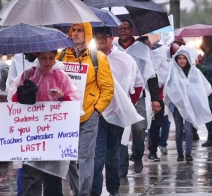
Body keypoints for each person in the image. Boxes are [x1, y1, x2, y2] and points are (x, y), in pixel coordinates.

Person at [8, 50, 81, 196]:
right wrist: (21, 92)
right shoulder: (27, 75)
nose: (47, 62)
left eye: (51, 58)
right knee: (31, 177)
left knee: (53, 179)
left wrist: (61, 96)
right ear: (37, 57)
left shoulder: (61, 77)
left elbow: (75, 104)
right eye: (43, 58)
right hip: (31, 135)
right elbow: (13, 103)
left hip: (55, 136)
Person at [56, 22, 114, 196]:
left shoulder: (98, 58)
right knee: (68, 159)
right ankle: (76, 190)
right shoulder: (61, 56)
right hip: (66, 114)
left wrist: (97, 110)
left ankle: (84, 193)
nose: (75, 33)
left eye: (79, 30)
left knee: (85, 158)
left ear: (87, 33)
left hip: (89, 115)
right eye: (73, 30)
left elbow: (108, 89)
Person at [91, 27, 144, 196]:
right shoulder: (89, 58)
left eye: (102, 39)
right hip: (96, 113)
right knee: (97, 155)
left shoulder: (125, 59)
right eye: (96, 39)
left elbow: (138, 84)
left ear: (110, 38)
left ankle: (113, 190)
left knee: (113, 154)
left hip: (117, 114)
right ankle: (95, 191)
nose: (99, 42)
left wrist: (127, 104)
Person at [115, 20, 161, 176]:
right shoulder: (112, 48)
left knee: (139, 128)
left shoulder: (142, 49)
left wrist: (155, 99)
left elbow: (151, 74)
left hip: (138, 96)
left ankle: (138, 155)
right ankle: (122, 164)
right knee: (120, 130)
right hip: (118, 97)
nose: (122, 31)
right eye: (119, 28)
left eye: (125, 28)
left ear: (131, 30)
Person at [164, 45, 212, 161]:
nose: (181, 60)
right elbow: (169, 88)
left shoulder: (194, 72)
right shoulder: (172, 73)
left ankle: (188, 153)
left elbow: (202, 87)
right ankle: (180, 154)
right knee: (179, 129)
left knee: (188, 128)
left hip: (191, 105)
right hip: (177, 105)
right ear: (176, 59)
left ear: (187, 59)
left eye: (184, 58)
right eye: (179, 58)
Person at [6, 52, 37, 196]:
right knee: (23, 162)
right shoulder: (18, 58)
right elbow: (9, 87)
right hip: (23, 118)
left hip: (45, 118)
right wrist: (20, 89)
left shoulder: (47, 57)